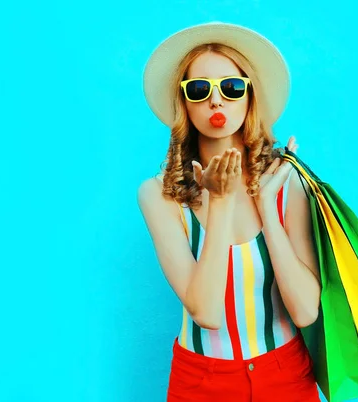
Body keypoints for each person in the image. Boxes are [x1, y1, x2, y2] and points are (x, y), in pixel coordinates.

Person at [138, 22, 322, 402]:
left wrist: (269, 210)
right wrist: (219, 204)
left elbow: (305, 312)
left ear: (249, 97)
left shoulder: (287, 182)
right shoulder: (158, 196)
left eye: (232, 88)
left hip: (287, 376)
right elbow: (206, 312)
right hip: (201, 383)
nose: (216, 101)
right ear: (183, 103)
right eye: (200, 89)